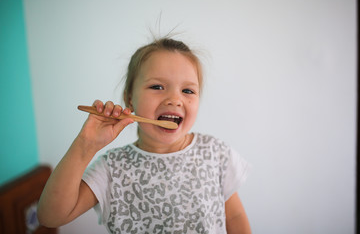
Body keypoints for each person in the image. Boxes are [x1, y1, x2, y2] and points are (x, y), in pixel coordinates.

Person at [37, 38, 252, 234]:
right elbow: (51, 216)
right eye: (157, 86)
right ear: (130, 99)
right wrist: (86, 144)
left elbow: (234, 216)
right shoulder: (112, 168)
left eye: (188, 91)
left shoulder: (215, 153)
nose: (175, 99)